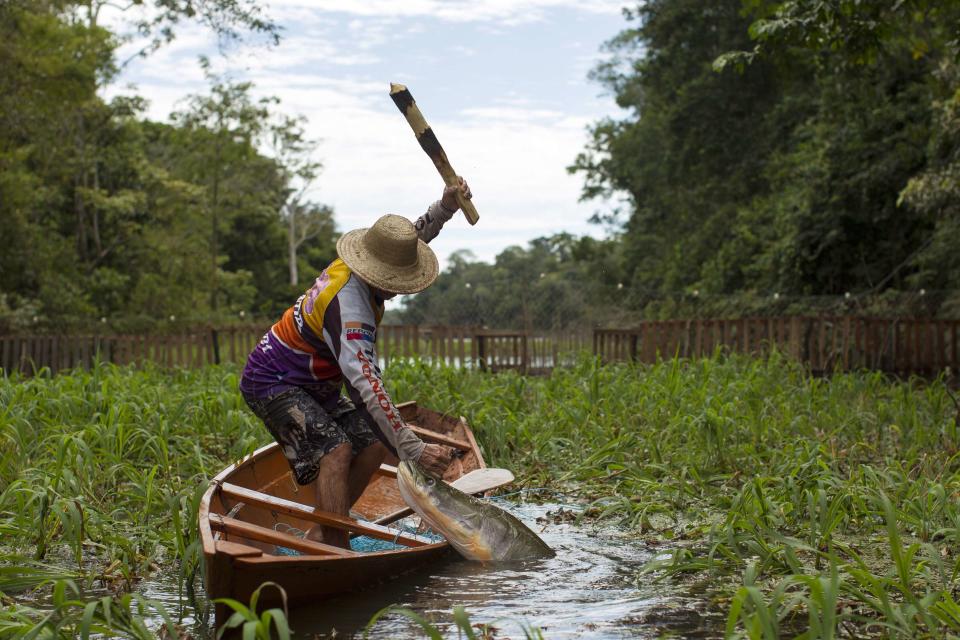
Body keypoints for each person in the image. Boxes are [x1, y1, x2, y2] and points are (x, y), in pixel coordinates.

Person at [239, 178, 472, 548]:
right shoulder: (351, 308)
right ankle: (334, 544)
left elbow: (408, 239)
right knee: (336, 450)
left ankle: (326, 526)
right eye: (396, 282)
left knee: (376, 442)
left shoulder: (368, 262)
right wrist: (413, 447)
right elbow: (366, 386)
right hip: (274, 380)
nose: (398, 289)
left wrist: (444, 208)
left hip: (314, 383)